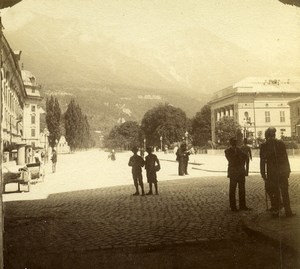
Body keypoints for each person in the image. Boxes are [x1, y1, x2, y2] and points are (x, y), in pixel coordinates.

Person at [260, 127, 294, 218]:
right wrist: (288, 170)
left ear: (267, 135)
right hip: (282, 171)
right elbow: (285, 158)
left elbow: (262, 161)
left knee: (273, 191)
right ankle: (288, 211)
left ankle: (276, 210)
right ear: (274, 134)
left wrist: (263, 173)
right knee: (284, 191)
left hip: (272, 172)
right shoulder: (281, 143)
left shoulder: (264, 145)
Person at [225, 137, 251, 212]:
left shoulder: (239, 150)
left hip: (240, 172)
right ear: (231, 142)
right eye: (233, 142)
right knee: (232, 189)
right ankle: (233, 206)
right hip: (233, 172)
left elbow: (246, 156)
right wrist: (240, 159)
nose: (235, 143)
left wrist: (241, 161)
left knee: (242, 189)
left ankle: (242, 205)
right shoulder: (227, 151)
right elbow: (231, 160)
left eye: (236, 141)